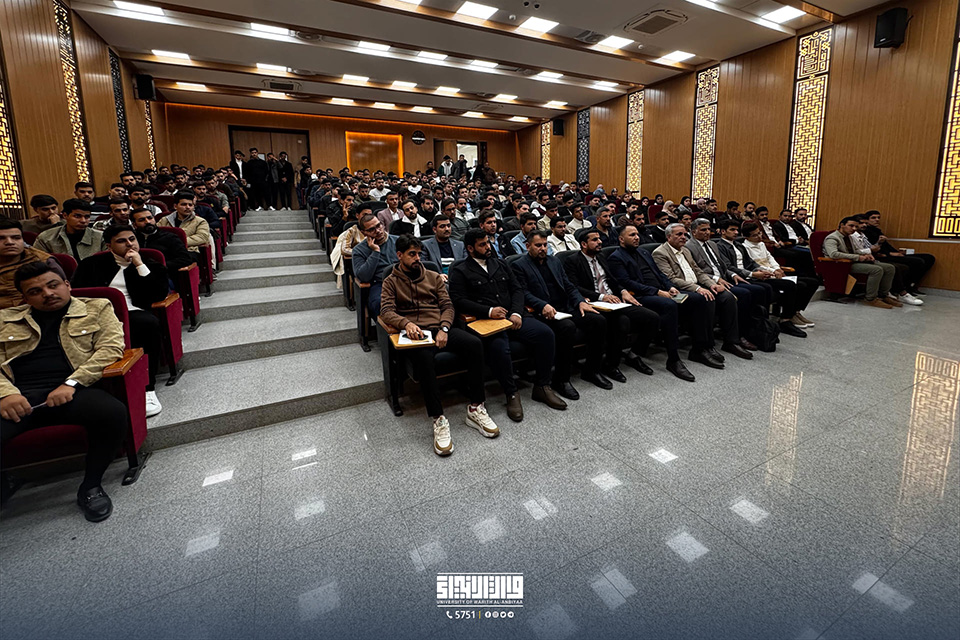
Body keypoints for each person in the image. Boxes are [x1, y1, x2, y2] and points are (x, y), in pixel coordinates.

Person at [0, 261, 127, 520]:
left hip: (72, 389)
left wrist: (72, 383)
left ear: (67, 285)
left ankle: (91, 485)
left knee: (112, 412)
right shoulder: (5, 319)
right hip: (19, 395)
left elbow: (111, 349)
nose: (47, 294)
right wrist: (5, 393)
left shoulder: (97, 307)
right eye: (35, 291)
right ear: (25, 298)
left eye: (53, 285)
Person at [380, 235, 498, 455]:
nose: (418, 258)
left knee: (474, 344)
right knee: (425, 359)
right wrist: (406, 324)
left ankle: (476, 407)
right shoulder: (390, 282)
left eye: (419, 254)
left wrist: (444, 328)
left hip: (440, 328)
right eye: (412, 254)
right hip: (416, 333)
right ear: (399, 255)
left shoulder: (433, 277)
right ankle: (438, 418)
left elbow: (448, 306)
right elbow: (386, 311)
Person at [448, 229, 565, 419]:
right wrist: (488, 311)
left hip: (513, 316)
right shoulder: (460, 270)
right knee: (499, 347)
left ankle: (542, 386)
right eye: (482, 245)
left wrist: (517, 312)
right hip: (486, 321)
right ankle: (511, 393)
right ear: (470, 248)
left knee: (545, 334)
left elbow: (517, 290)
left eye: (488, 242)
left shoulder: (501, 263)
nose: (488, 247)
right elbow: (459, 300)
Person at [72, 225, 170, 416]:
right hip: (96, 314)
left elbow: (157, 295)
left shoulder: (151, 265)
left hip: (133, 312)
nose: (129, 244)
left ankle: (147, 388)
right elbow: (78, 294)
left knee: (147, 323)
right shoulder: (91, 264)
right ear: (109, 246)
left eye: (132, 239)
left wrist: (139, 265)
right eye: (121, 241)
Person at [512, 230, 610, 398]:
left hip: (565, 307)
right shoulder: (519, 265)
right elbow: (523, 293)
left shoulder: (554, 261)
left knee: (598, 320)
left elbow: (569, 285)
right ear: (527, 246)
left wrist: (580, 301)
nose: (543, 248)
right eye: (538, 245)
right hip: (542, 312)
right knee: (567, 327)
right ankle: (561, 379)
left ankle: (591, 370)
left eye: (545, 245)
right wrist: (542, 305)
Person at [607, 225, 697, 382]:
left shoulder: (643, 252)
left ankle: (701, 347)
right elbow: (627, 282)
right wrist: (657, 292)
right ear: (621, 239)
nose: (637, 237)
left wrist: (670, 286)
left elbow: (659, 274)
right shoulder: (616, 257)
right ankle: (673, 359)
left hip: (660, 291)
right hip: (640, 296)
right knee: (669, 305)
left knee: (696, 299)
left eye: (637, 234)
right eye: (632, 235)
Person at [565, 228, 661, 377]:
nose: (600, 242)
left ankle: (634, 354)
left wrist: (623, 291)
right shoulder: (572, 260)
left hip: (613, 300)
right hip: (594, 302)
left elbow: (612, 280)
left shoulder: (601, 256)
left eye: (599, 239)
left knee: (652, 318)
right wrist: (601, 297)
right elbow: (574, 286)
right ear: (584, 244)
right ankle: (610, 365)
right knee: (621, 322)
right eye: (595, 240)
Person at [652, 224, 752, 361]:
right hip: (677, 291)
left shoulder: (685, 250)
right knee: (706, 298)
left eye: (684, 234)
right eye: (679, 234)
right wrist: (698, 288)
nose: (683, 237)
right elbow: (671, 279)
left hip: (696, 286)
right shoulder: (660, 253)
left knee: (726, 297)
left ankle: (731, 341)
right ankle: (704, 346)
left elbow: (698, 272)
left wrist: (712, 284)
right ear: (668, 237)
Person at [722, 221, 815, 335]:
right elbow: (733, 267)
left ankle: (793, 314)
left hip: (763, 272)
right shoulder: (738, 246)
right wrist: (759, 273)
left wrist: (776, 269)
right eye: (755, 235)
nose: (759, 236)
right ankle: (778, 320)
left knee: (811, 282)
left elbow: (758, 261)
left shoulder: (740, 245)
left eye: (759, 233)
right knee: (787, 286)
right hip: (750, 275)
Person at [686, 219, 764, 350]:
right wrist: (716, 279)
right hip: (708, 282)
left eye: (708, 229)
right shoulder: (688, 247)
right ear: (694, 232)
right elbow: (696, 271)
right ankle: (736, 337)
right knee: (744, 294)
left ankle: (753, 331)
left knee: (758, 290)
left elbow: (721, 266)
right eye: (703, 230)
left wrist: (733, 275)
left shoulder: (712, 244)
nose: (707, 232)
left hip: (724, 278)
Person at [823, 216, 901, 309]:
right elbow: (834, 254)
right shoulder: (832, 238)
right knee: (876, 270)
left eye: (856, 227)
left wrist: (866, 254)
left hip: (852, 261)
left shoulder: (849, 237)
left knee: (889, 268)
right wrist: (858, 257)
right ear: (842, 225)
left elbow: (855, 250)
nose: (854, 229)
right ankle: (870, 298)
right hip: (841, 264)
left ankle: (883, 295)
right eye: (851, 226)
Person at [862, 210, 934, 296]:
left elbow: (886, 245)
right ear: (867, 220)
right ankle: (907, 287)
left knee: (929, 257)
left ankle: (913, 284)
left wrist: (897, 252)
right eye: (873, 218)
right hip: (883, 255)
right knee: (917, 262)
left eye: (878, 218)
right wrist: (890, 253)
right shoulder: (866, 232)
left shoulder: (877, 231)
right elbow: (873, 248)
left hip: (889, 253)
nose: (877, 220)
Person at [0, 219, 63, 309]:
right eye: (1, 238)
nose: (10, 242)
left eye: (16, 238)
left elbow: (62, 294)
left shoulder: (43, 261)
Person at [130, 208, 197, 279]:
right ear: (134, 225)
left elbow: (185, 259)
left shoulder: (170, 237)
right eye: (142, 220)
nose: (148, 222)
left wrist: (160, 266)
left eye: (150, 218)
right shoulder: (131, 240)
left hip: (164, 275)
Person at [352, 213, 398, 316]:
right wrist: (375, 252)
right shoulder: (359, 250)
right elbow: (363, 276)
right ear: (363, 233)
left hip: (403, 280)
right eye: (371, 229)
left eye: (378, 225)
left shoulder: (398, 241)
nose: (378, 231)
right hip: (380, 284)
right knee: (379, 303)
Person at [34, 199, 104, 262]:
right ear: (65, 215)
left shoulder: (100, 237)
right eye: (77, 216)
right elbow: (38, 263)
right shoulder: (46, 238)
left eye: (87, 217)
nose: (83, 221)